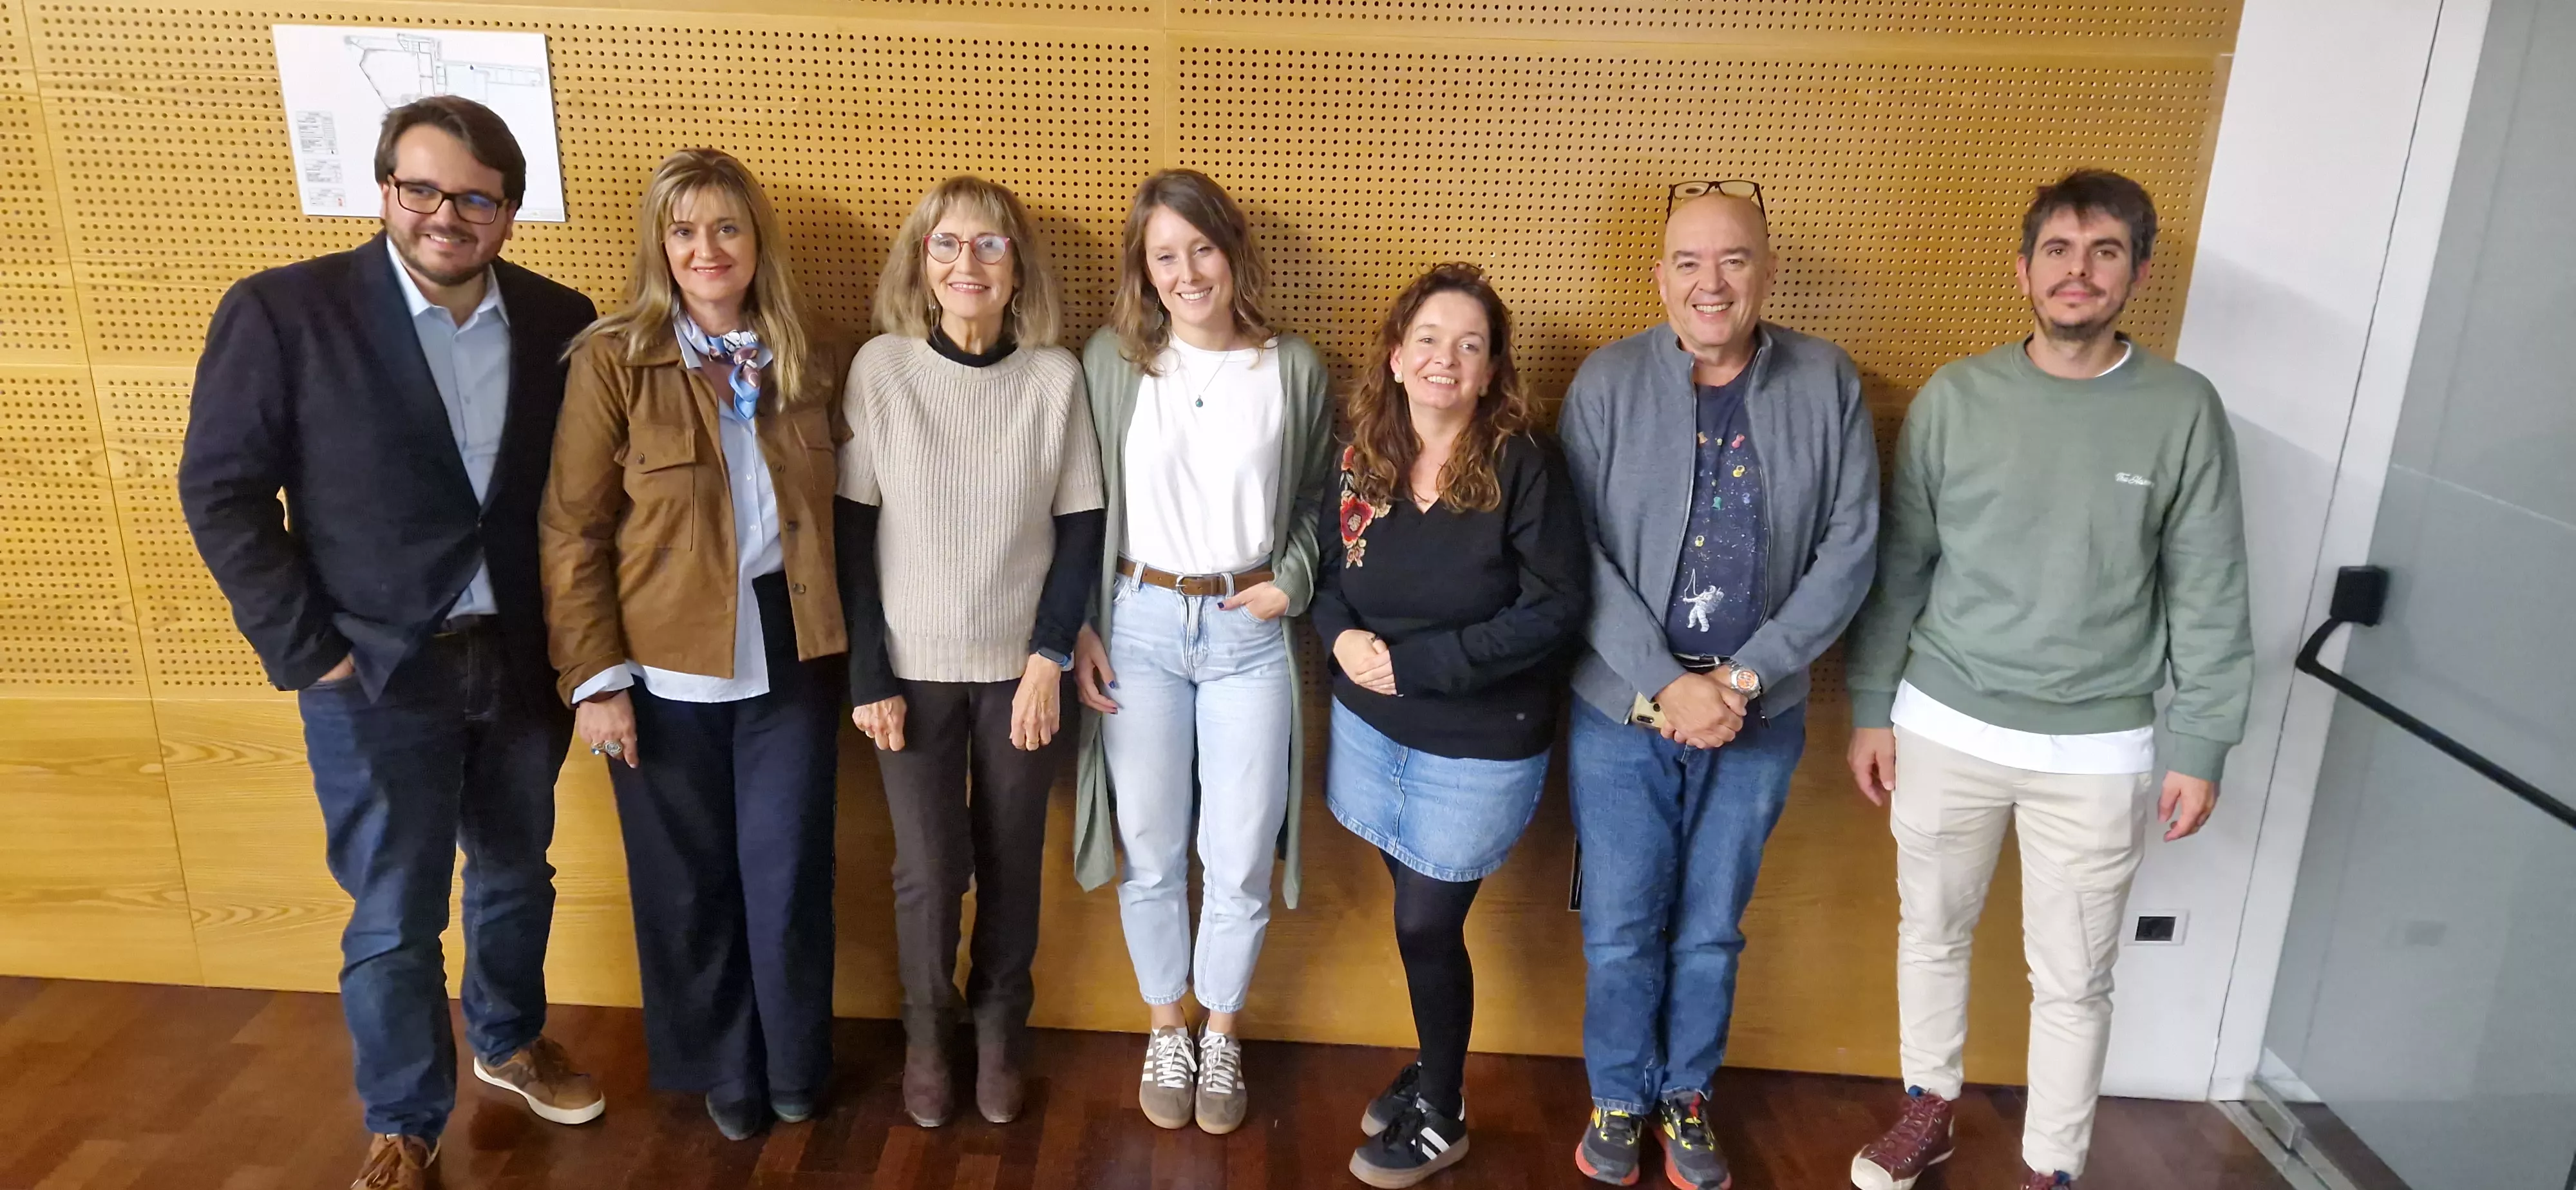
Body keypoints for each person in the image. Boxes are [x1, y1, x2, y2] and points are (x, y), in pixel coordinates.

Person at [178, 97, 603, 1190]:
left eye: (475, 198)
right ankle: (404, 1121)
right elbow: (222, 493)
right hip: (372, 671)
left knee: (517, 874)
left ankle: (509, 1040)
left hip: (521, 660)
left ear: (509, 212)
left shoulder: (561, 319)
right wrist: (309, 649)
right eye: (422, 189)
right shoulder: (287, 312)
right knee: (394, 912)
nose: (445, 216)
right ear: (383, 190)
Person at [1842, 169, 2251, 1190]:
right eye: (2059, 251)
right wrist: (1871, 708)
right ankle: (1928, 1110)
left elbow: (2210, 587)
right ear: (2023, 270)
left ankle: (2053, 1168)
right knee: (1931, 933)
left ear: (2138, 274)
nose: (2079, 272)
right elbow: (1902, 567)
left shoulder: (2183, 410)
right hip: (1944, 721)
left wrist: (2202, 743)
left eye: (2105, 252)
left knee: (2075, 976)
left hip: (2099, 744)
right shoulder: (1956, 397)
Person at [1558, 182, 1880, 1189]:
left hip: (1759, 713)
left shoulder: (1826, 382)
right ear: (1660, 277)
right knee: (1620, 927)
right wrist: (1667, 682)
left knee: (1709, 929)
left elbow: (1851, 550)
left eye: (1734, 259)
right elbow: (1574, 555)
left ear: (1767, 273)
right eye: (1690, 262)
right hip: (1621, 711)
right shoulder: (1606, 383)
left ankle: (1685, 1096)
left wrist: (1743, 677)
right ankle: (1618, 1097)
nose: (1712, 282)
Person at [539, 147, 849, 1141]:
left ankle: (794, 1060)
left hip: (792, 647)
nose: (706, 249)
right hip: (660, 660)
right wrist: (595, 679)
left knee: (787, 873)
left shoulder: (806, 354)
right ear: (659, 247)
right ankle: (726, 1066)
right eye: (684, 231)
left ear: (757, 242)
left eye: (725, 228)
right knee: (689, 883)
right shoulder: (614, 359)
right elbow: (572, 528)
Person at [1065, 169, 1336, 1135]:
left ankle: (1221, 1031)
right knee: (1148, 846)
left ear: (1233, 252)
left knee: (1240, 851)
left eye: (1202, 249)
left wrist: (1292, 580)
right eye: (1165, 255)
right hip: (1136, 623)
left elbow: (1320, 499)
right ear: (1144, 269)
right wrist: (1081, 623)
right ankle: (1165, 1025)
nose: (1187, 273)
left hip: (1246, 632)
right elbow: (1079, 504)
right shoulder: (1112, 362)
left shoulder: (1292, 367)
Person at [837, 175, 1106, 1131]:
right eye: (947, 244)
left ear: (1017, 269)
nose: (968, 263)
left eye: (991, 245)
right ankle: (926, 1037)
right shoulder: (881, 370)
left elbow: (1081, 528)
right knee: (926, 870)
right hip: (909, 672)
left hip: (1020, 674)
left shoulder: (1055, 378)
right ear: (923, 264)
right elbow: (851, 534)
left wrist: (1047, 657)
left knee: (1010, 859)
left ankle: (999, 1033)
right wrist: (868, 673)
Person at [1314, 263, 1591, 1187]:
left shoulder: (1523, 465)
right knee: (1416, 918)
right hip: (1372, 733)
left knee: (1427, 924)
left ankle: (1444, 1111)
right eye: (1429, 339)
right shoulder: (1362, 456)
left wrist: (1418, 666)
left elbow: (1556, 609)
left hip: (1478, 743)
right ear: (1396, 357)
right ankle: (1435, 1068)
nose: (1446, 359)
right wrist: (1339, 637)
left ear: (1491, 371)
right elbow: (1328, 576)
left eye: (1470, 346)